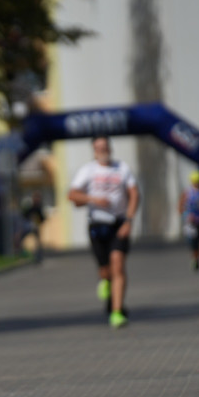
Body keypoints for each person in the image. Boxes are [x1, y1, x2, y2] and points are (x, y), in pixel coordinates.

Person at [67, 135, 140, 329]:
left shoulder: (122, 168)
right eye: (98, 147)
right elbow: (72, 196)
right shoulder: (88, 170)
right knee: (105, 269)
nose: (102, 150)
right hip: (98, 225)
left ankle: (116, 312)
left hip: (119, 224)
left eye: (105, 147)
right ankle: (104, 281)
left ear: (110, 148)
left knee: (118, 266)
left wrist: (129, 220)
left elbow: (134, 194)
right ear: (93, 150)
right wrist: (93, 199)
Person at [15, 191, 45, 263]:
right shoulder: (30, 206)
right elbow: (24, 215)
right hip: (27, 225)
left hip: (35, 226)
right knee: (19, 238)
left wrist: (37, 221)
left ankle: (38, 256)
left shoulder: (39, 207)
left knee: (38, 242)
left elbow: (42, 218)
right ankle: (20, 253)